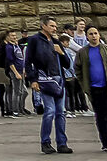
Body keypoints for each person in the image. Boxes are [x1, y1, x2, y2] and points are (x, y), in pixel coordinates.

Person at [23, 17, 72, 156]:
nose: (54, 28)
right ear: (43, 26)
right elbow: (28, 61)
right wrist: (33, 79)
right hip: (44, 79)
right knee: (49, 111)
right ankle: (45, 142)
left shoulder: (56, 42)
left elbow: (67, 64)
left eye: (55, 26)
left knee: (61, 112)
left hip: (59, 80)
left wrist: (61, 52)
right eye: (52, 26)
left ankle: (62, 143)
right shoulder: (34, 40)